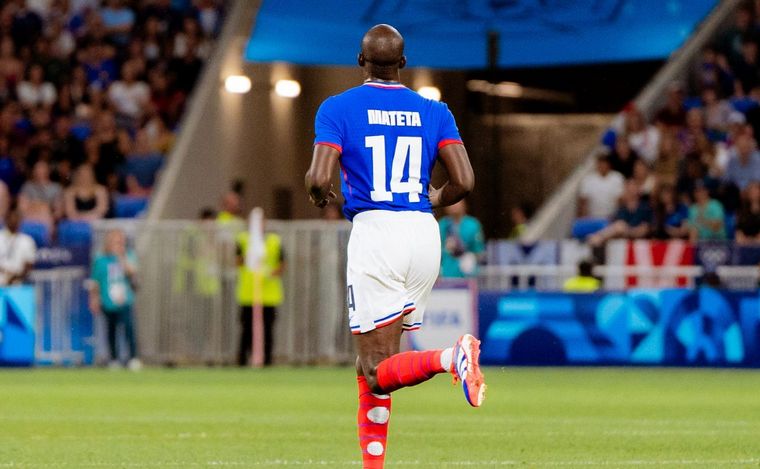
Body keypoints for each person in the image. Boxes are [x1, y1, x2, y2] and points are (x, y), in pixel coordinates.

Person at [304, 24, 484, 469]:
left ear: (360, 60)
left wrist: (318, 195)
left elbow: (317, 177)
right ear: (404, 63)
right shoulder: (434, 110)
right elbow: (463, 181)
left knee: (373, 366)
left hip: (377, 233)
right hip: (423, 232)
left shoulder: (337, 108)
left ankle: (450, 358)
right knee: (377, 363)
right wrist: (433, 200)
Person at [89, 229, 141, 370]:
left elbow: (132, 271)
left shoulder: (128, 255)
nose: (119, 244)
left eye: (121, 241)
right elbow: (95, 281)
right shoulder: (100, 259)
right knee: (111, 330)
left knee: (128, 328)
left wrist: (121, 257)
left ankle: (133, 358)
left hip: (125, 299)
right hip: (108, 300)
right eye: (116, 241)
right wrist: (94, 299)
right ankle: (114, 358)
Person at [236, 222, 285, 367]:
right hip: (248, 293)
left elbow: (282, 264)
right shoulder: (244, 239)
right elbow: (238, 261)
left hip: (269, 294)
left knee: (268, 330)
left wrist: (269, 274)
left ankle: (267, 360)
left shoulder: (274, 241)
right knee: (246, 330)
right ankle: (242, 361)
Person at [588, 181, 652, 246]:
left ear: (638, 191)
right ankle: (598, 237)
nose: (631, 192)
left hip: (639, 237)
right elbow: (616, 225)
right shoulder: (622, 208)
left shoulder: (645, 207)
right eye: (629, 190)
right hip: (623, 237)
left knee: (620, 226)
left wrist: (627, 231)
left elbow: (644, 229)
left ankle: (598, 237)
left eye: (633, 189)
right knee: (617, 226)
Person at [438, 199, 485, 277]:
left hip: (468, 272)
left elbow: (478, 250)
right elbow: (437, 250)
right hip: (446, 272)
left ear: (464, 205)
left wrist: (471, 259)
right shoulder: (442, 224)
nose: (454, 206)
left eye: (457, 202)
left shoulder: (473, 224)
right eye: (452, 203)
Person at [578, 155, 624, 219]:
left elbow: (621, 200)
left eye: (605, 164)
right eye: (600, 164)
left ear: (609, 165)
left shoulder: (617, 177)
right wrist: (584, 218)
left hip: (612, 217)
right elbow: (583, 202)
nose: (603, 167)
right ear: (597, 165)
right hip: (593, 217)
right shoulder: (588, 179)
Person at [0, 208, 36, 286]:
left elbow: (29, 265)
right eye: (11, 218)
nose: (14, 221)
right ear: (6, 219)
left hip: (18, 284)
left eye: (17, 218)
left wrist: (14, 277)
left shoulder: (27, 241)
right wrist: (5, 273)